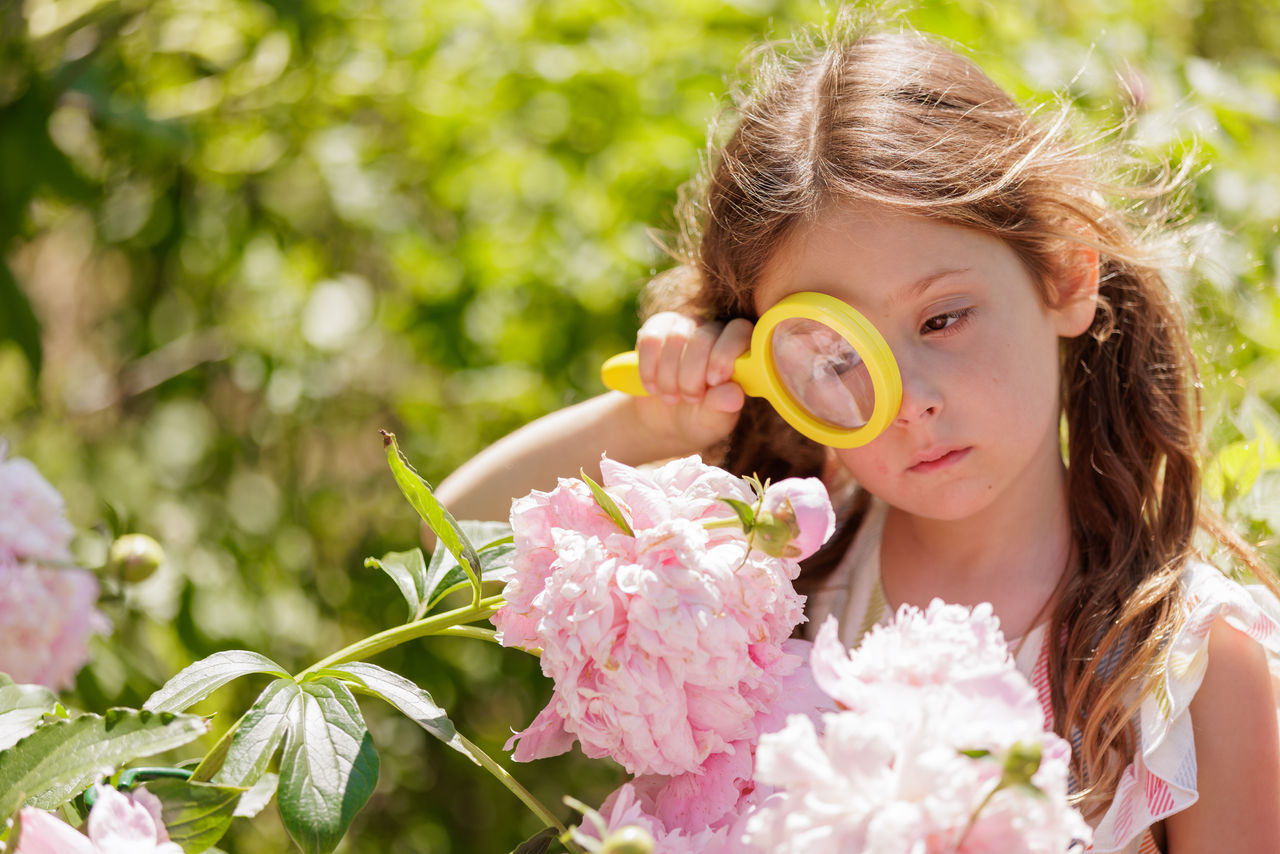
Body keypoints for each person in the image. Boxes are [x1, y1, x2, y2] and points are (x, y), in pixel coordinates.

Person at [432, 17, 1280, 854]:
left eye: (943, 318)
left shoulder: (1189, 666)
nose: (906, 398)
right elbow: (446, 549)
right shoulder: (768, 591)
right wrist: (651, 422)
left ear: (1065, 274)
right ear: (776, 368)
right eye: (836, 355)